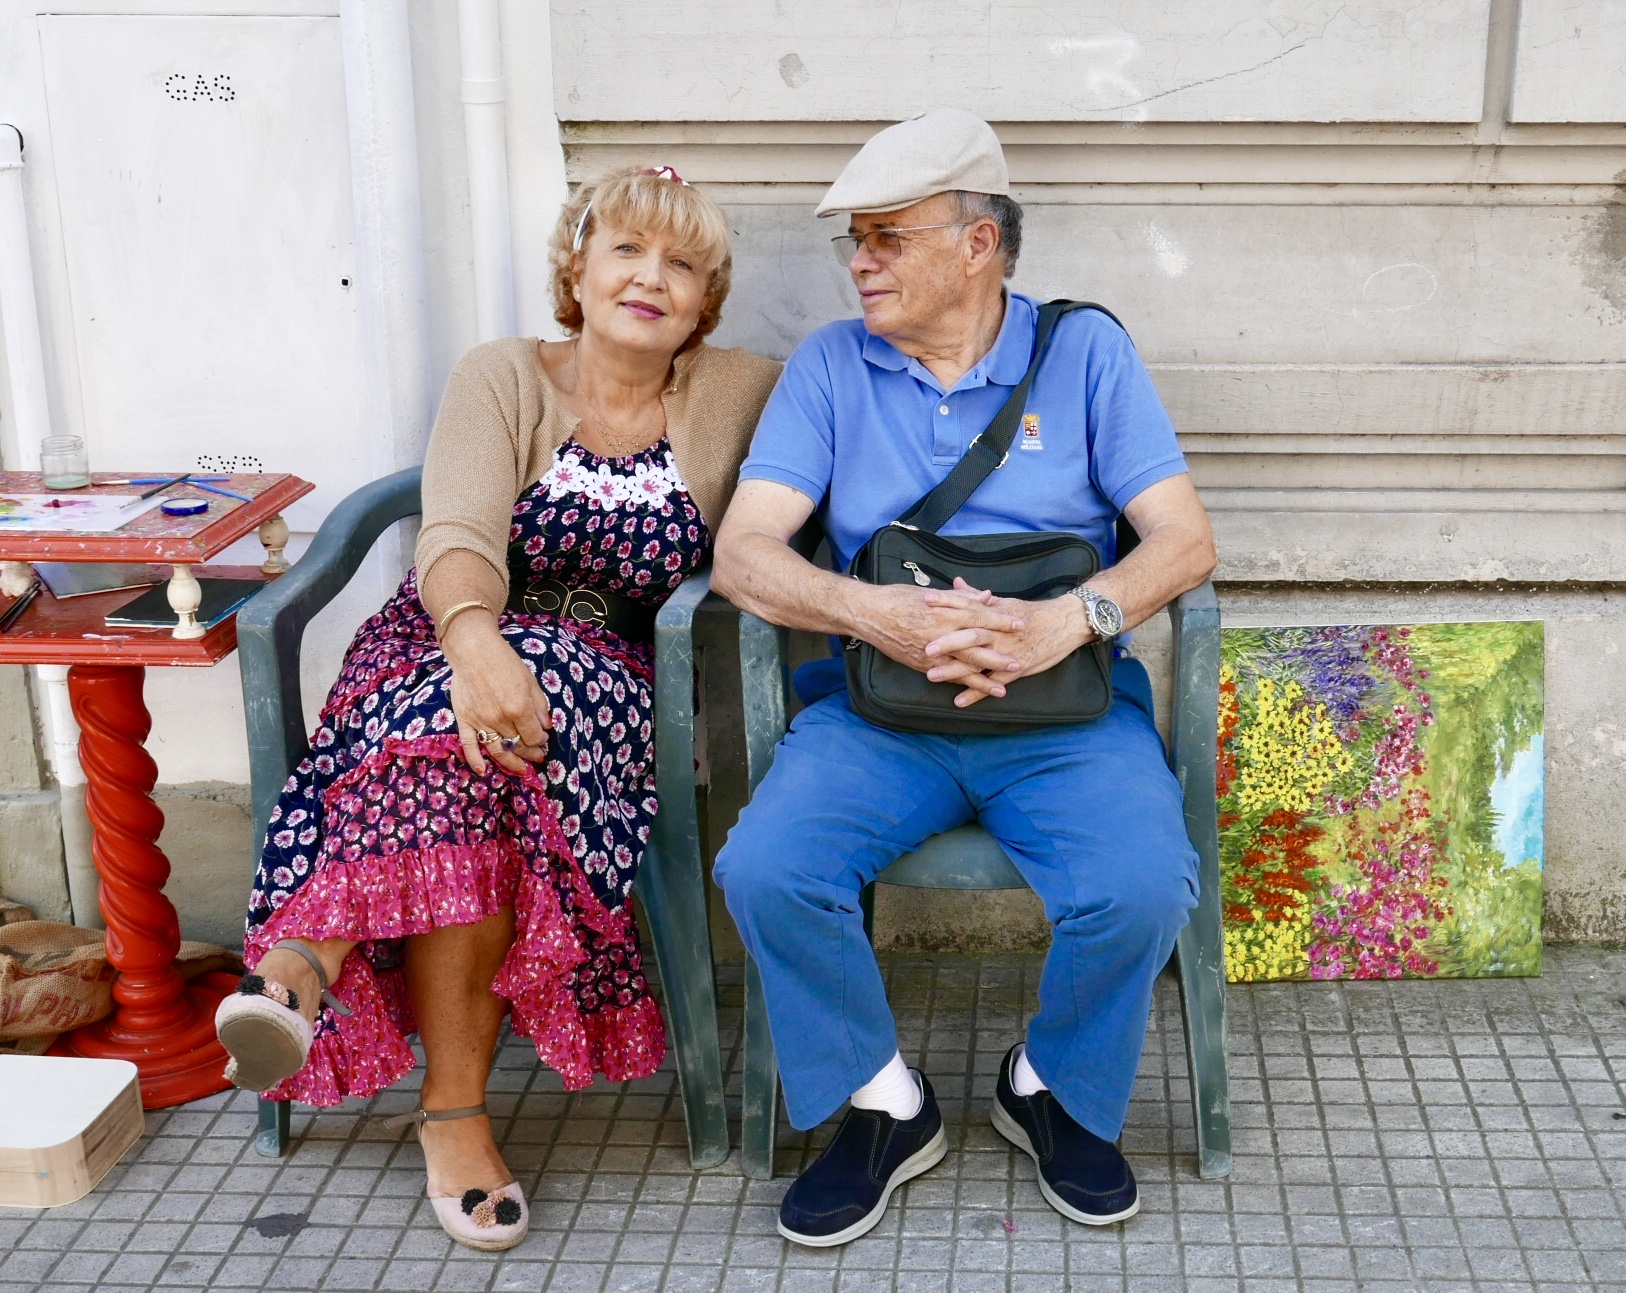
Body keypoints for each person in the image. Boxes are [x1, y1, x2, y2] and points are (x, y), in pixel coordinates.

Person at [214, 164, 780, 1251]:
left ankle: (300, 966)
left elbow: (857, 398)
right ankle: (453, 1115)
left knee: (499, 739)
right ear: (577, 266)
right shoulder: (502, 373)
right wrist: (477, 650)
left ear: (706, 301)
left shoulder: (738, 390)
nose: (651, 279)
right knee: (468, 755)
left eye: (683, 265)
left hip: (613, 674)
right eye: (627, 250)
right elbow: (458, 533)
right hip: (444, 642)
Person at [711, 109, 1218, 1247]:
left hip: (1064, 713)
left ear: (978, 243)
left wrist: (1061, 626)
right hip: (881, 713)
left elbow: (1184, 542)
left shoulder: (1085, 354)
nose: (861, 262)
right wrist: (871, 614)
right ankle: (882, 1101)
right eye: (856, 240)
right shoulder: (831, 364)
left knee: (1144, 883)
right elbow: (742, 556)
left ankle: (1050, 1086)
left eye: (888, 236)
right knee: (769, 869)